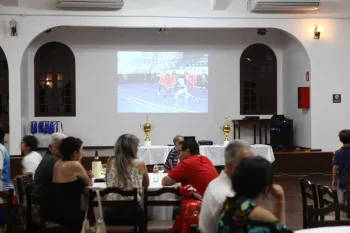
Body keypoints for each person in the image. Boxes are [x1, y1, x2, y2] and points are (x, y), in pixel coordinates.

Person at [217, 156, 292, 233]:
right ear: (265, 185)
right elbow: (282, 229)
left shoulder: (228, 203)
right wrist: (280, 201)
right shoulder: (257, 214)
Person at [199, 140, 253, 233]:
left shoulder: (216, 183)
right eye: (245, 164)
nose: (251, 168)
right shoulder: (227, 197)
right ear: (229, 165)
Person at [46, 137, 92, 233]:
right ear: (74, 153)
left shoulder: (57, 163)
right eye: (81, 149)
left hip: (54, 209)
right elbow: (89, 183)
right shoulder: (75, 165)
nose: (83, 152)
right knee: (93, 215)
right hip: (69, 213)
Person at [104, 134, 149, 225]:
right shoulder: (140, 163)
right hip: (133, 214)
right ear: (133, 148)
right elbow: (146, 184)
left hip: (111, 214)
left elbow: (107, 182)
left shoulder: (110, 161)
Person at [332, 129, 350, 213]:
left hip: (343, 181)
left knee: (345, 200)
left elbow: (335, 167)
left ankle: (346, 215)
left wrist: (334, 179)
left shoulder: (338, 153)